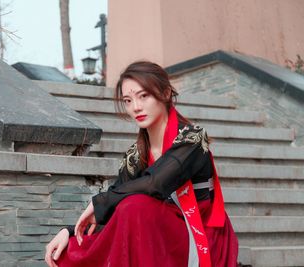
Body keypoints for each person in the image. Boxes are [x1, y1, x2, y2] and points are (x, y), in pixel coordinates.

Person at [45, 61, 239, 267]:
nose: (135, 107)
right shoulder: (136, 155)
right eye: (128, 100)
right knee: (70, 252)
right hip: (155, 234)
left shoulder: (193, 139)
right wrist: (70, 231)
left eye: (143, 96)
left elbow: (154, 183)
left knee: (135, 206)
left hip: (199, 234)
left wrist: (100, 201)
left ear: (165, 93)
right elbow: (117, 202)